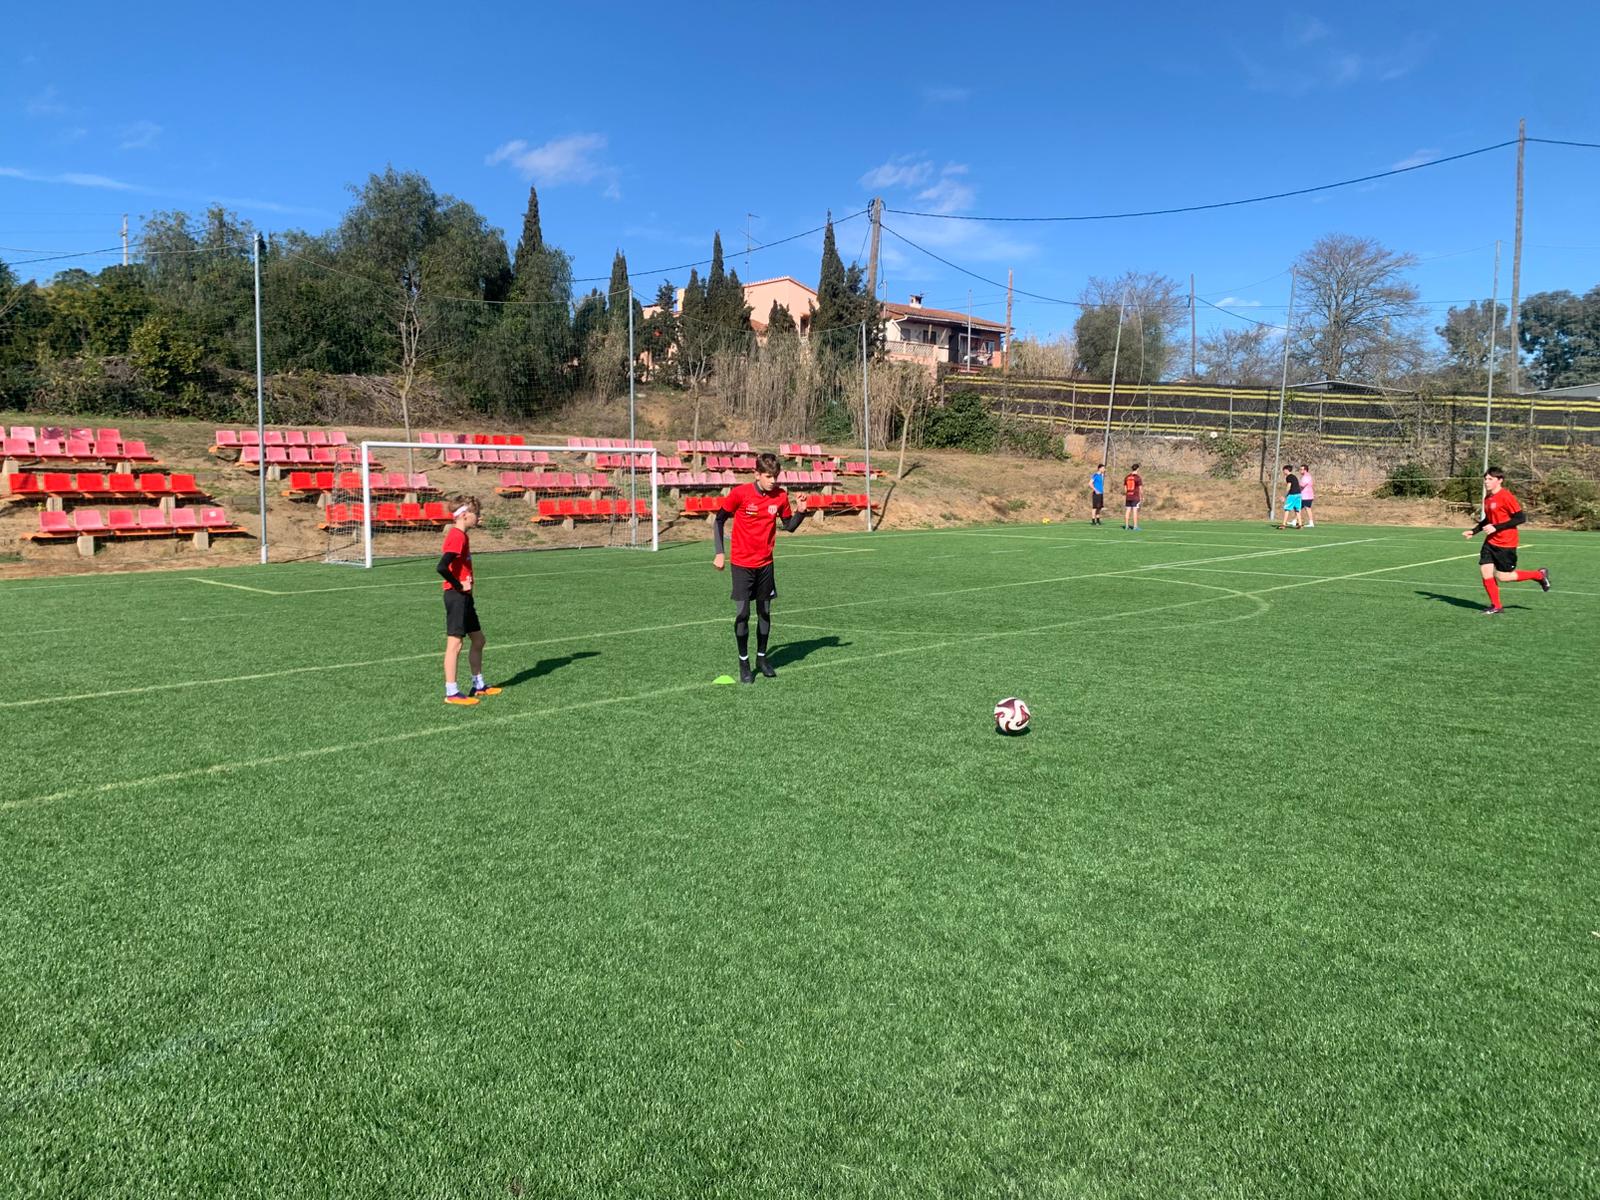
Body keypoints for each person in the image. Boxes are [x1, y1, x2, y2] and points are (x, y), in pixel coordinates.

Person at [714, 452, 811, 683]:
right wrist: (719, 552)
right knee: (743, 614)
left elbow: (789, 526)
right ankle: (744, 662)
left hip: (766, 564)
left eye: (776, 476)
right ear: (756, 474)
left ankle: (761, 658)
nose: (773, 481)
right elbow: (719, 519)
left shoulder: (780, 496)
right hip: (741, 564)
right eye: (768, 476)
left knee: (764, 612)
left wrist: (801, 511)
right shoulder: (740, 494)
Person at [437, 498, 500, 705]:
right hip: (456, 596)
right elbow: (442, 567)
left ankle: (478, 685)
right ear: (464, 515)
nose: (479, 517)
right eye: (476, 513)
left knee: (479, 640)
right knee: (455, 644)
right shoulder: (457, 536)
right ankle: (451, 692)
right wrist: (458, 585)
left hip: (465, 597)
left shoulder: (462, 535)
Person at [1462, 468, 1551, 615]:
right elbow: (1488, 519)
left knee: (1503, 577)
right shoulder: (1488, 498)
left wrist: (1496, 527)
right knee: (1485, 571)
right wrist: (1474, 531)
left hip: (1506, 543)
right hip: (1490, 542)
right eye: (1485, 479)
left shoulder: (1506, 496)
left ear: (1500, 480)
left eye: (1490, 479)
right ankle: (1496, 606)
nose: (1486, 482)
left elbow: (1520, 518)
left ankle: (1539, 575)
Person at [1123, 463, 1142, 530]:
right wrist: (1141, 496)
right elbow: (1140, 488)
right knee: (1134, 511)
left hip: (1128, 496)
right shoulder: (1138, 477)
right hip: (1135, 496)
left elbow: (1125, 488)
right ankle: (1135, 526)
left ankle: (1126, 526)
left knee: (1128, 510)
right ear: (1138, 469)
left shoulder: (1127, 477)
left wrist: (1127, 494)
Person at [1298, 464, 1316, 528]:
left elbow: (1302, 485)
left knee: (1307, 508)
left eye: (1301, 469)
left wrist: (1296, 485)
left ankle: (1311, 522)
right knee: (1298, 507)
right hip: (1304, 495)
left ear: (1305, 470)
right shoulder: (1304, 476)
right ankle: (1295, 520)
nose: (1300, 471)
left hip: (1307, 496)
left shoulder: (1306, 476)